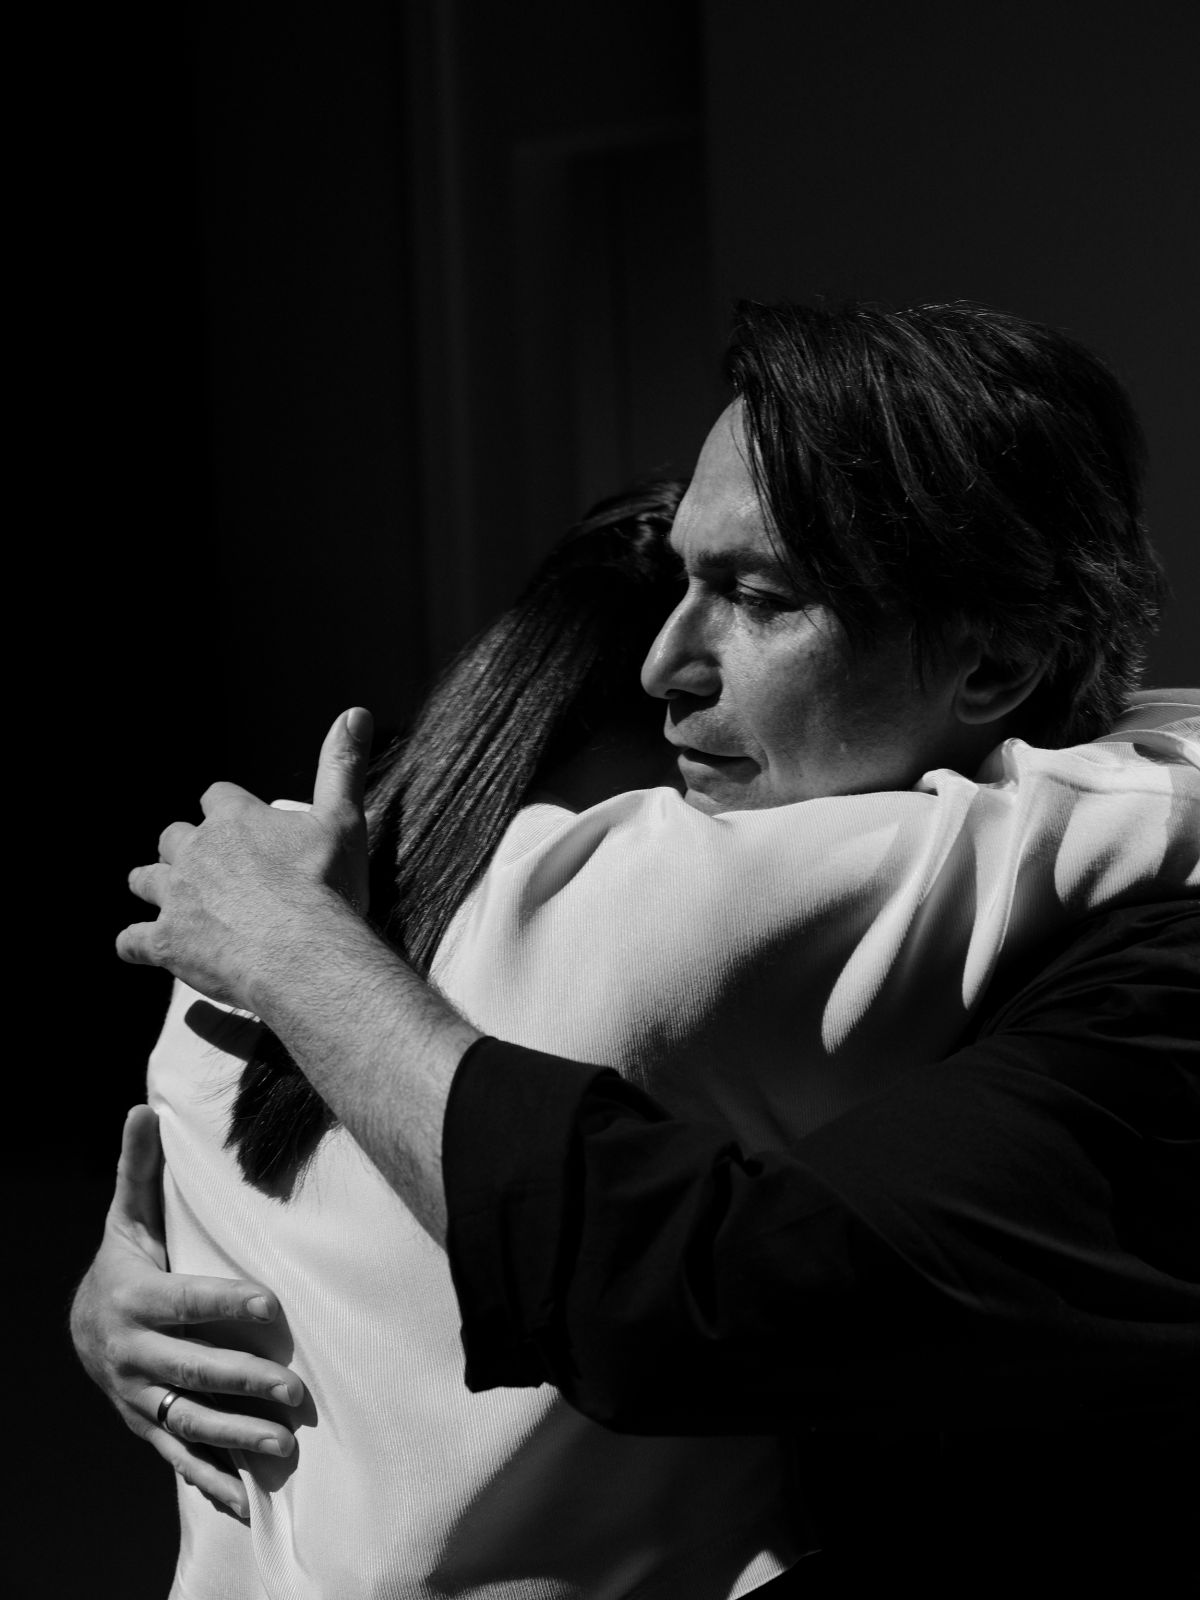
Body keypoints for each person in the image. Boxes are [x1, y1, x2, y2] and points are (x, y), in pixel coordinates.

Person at [86, 302, 1198, 1592]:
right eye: (682, 585)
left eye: (757, 598)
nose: (673, 665)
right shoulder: (692, 890)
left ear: (992, 665)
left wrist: (126, 1274)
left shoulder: (289, 885)